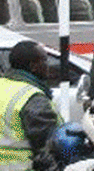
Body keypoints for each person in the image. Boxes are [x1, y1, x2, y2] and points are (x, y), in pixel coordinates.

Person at [0, 41, 62, 171]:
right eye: (45, 60)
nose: (48, 65)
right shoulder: (32, 97)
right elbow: (46, 149)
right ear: (34, 66)